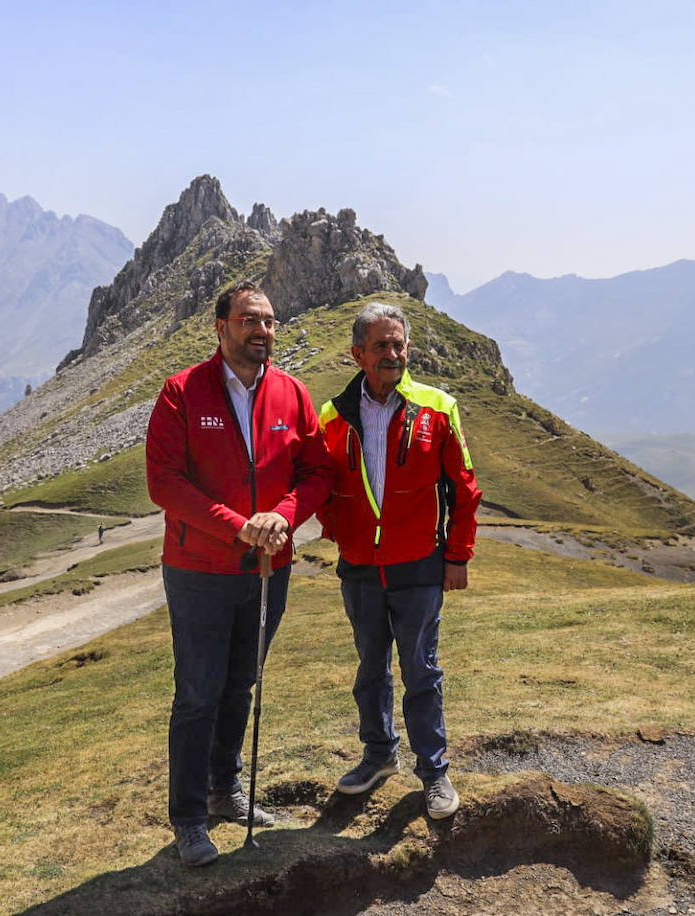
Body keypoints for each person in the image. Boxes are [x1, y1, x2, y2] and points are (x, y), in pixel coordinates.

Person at [146, 279, 333, 866]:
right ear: (221, 327)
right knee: (197, 692)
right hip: (199, 570)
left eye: (270, 321)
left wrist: (281, 516)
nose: (263, 331)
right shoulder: (181, 393)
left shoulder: (293, 394)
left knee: (241, 683)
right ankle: (189, 819)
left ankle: (225, 790)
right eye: (250, 320)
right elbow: (165, 483)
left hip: (267, 570)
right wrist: (236, 525)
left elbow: (318, 474)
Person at [316, 301, 482, 819]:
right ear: (357, 354)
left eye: (399, 344)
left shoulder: (437, 407)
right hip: (360, 568)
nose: (393, 354)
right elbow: (321, 483)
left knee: (421, 671)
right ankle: (378, 756)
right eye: (381, 346)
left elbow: (465, 489)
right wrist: (336, 531)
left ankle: (434, 772)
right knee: (370, 669)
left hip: (419, 566)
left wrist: (457, 556)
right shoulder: (333, 414)